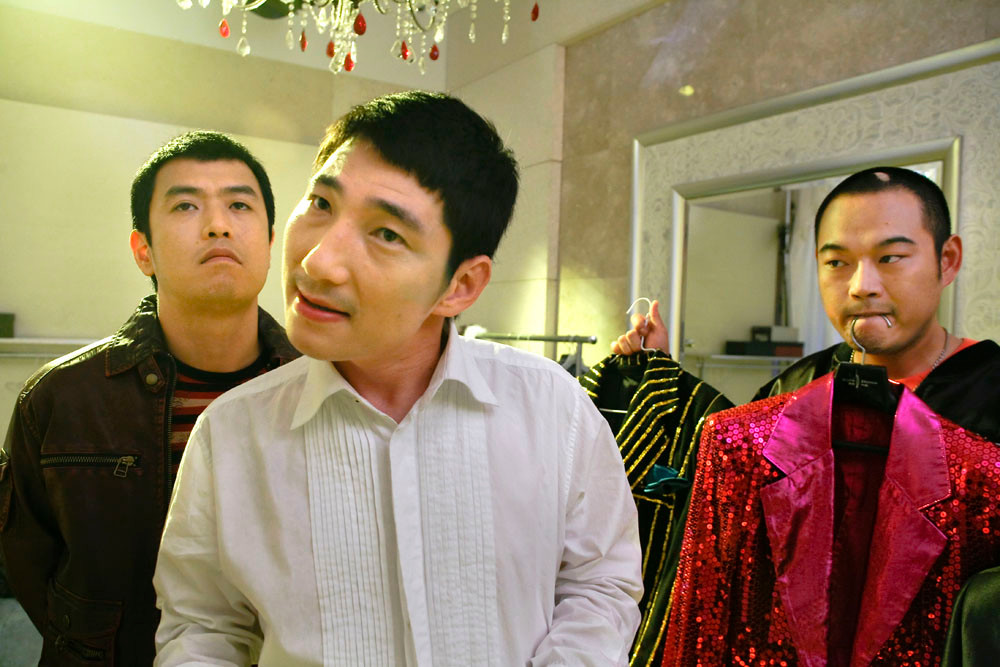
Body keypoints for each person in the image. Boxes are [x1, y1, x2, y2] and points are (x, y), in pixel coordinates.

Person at [153, 92, 643, 666]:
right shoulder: (232, 432)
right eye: (320, 203)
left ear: (460, 285)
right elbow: (204, 626)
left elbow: (600, 583)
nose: (316, 263)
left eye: (386, 234)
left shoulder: (551, 408)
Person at [0, 131, 299, 665]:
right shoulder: (61, 398)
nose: (218, 224)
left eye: (239, 205)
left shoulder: (320, 387)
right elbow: (28, 562)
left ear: (270, 241)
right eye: (186, 205)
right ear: (144, 251)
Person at [615, 166, 1000, 442]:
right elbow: (721, 452)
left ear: (947, 261)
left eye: (891, 258)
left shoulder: (989, 387)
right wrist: (658, 368)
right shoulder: (799, 385)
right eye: (837, 263)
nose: (861, 287)